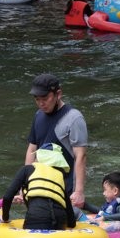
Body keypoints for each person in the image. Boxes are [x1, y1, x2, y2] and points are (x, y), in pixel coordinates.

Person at [25, 73, 89, 209]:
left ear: (58, 94)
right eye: (37, 99)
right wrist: (25, 183)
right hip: (42, 185)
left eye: (45, 98)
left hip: (66, 191)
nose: (41, 103)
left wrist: (79, 192)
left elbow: (81, 156)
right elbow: (32, 150)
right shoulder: (38, 116)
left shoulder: (74, 118)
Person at [1, 143, 77, 230]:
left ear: (39, 156)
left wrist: (5, 219)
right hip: (60, 221)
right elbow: (69, 211)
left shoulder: (27, 169)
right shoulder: (59, 175)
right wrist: (71, 224)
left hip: (36, 218)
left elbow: (7, 197)